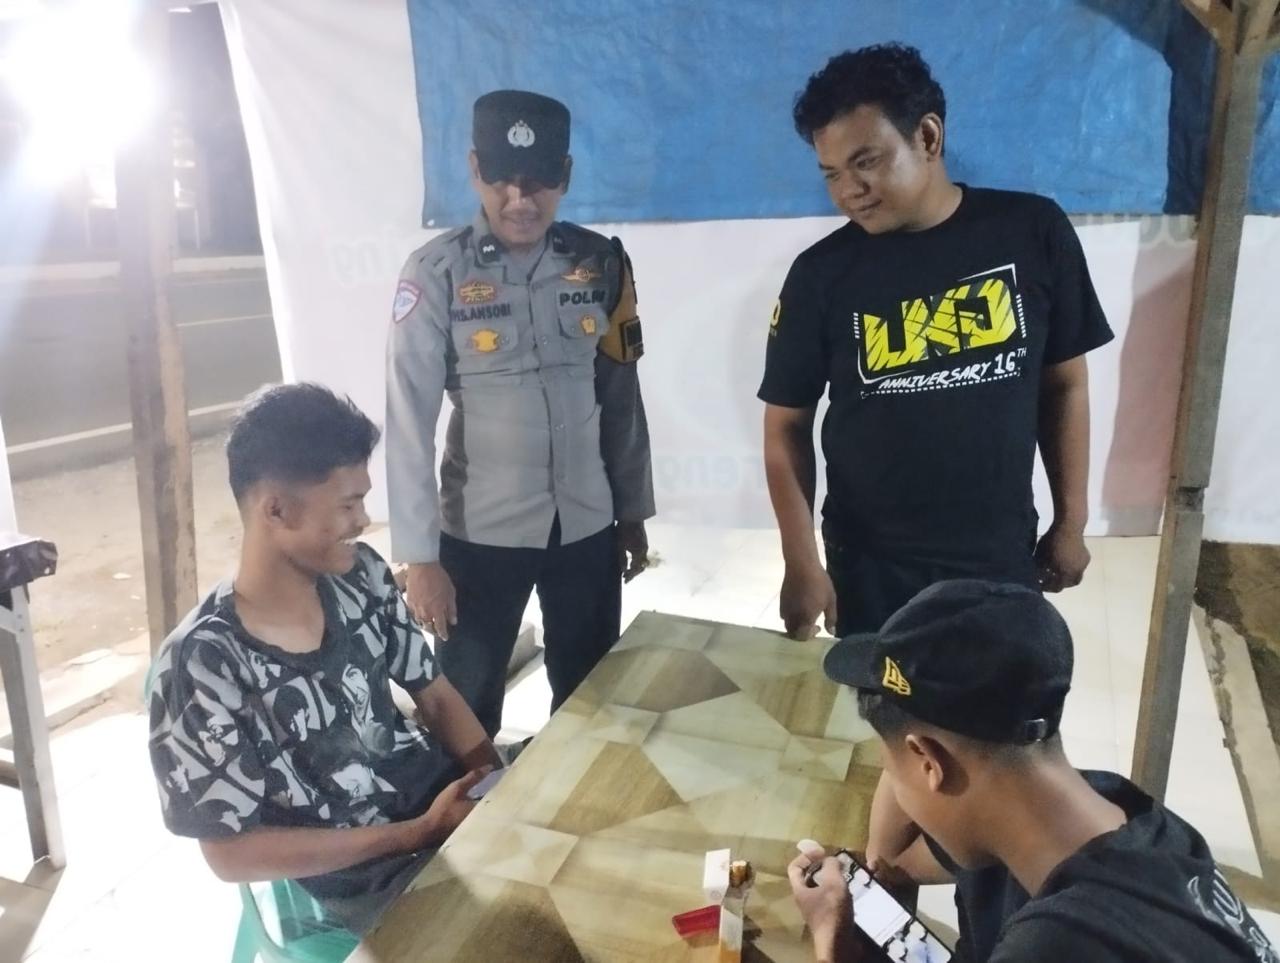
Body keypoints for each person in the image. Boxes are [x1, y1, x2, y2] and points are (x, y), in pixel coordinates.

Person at [759, 44, 1114, 639]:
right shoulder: (820, 275)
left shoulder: (1031, 232)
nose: (849, 190)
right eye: (832, 174)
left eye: (866, 162)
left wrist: (1071, 522)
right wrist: (802, 563)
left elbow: (1065, 385)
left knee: (1000, 699)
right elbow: (784, 427)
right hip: (869, 567)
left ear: (927, 136)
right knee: (879, 701)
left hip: (998, 558)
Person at [147, 384, 503, 935]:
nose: (362, 520)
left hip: (439, 801)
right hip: (368, 875)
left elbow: (434, 695)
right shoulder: (202, 664)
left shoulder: (362, 576)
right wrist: (420, 832)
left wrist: (499, 782)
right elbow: (230, 856)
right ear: (276, 509)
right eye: (347, 504)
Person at [787, 580, 1278, 962]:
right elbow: (892, 862)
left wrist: (830, 943)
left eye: (891, 768)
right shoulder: (1123, 813)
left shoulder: (1059, 947)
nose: (894, 785)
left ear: (929, 763)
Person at [386, 89, 655, 736]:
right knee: (465, 713)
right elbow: (407, 422)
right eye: (502, 180)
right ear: (475, 169)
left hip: (585, 528)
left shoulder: (600, 263)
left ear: (565, 176)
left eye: (537, 182)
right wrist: (419, 557)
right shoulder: (436, 273)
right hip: (479, 539)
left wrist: (631, 511)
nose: (519, 199)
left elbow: (621, 396)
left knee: (590, 703)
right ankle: (469, 807)